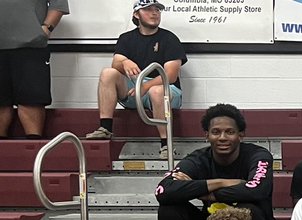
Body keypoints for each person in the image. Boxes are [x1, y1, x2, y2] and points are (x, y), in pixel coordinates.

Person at [154, 103, 277, 220]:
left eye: (229, 132)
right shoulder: (198, 159)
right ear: (207, 135)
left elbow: (258, 190)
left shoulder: (258, 155)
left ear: (240, 135)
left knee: (249, 209)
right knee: (169, 210)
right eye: (216, 132)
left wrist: (208, 195)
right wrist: (220, 182)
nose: (222, 137)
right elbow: (163, 191)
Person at [83, 0, 184, 158]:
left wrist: (145, 87)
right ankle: (105, 128)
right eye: (148, 9)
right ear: (136, 14)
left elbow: (170, 76)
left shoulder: (169, 38)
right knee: (107, 73)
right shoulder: (126, 38)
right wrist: (125, 61)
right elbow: (115, 64)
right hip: (134, 90)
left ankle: (166, 145)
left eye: (157, 9)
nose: (154, 13)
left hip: (165, 90)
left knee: (156, 91)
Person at [0, 0, 68, 138]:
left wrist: (46, 28)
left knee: (31, 101)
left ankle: (34, 149)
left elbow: (59, 4)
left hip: (31, 46)